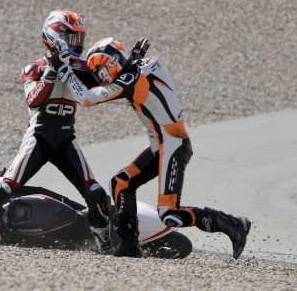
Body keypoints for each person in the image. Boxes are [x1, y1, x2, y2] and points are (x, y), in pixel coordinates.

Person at [53, 37, 251, 259]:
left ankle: (233, 224)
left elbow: (87, 98)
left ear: (113, 62)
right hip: (162, 144)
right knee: (120, 184)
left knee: (169, 214)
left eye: (101, 71)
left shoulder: (133, 77)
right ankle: (129, 247)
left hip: (173, 145)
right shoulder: (140, 67)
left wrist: (64, 68)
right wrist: (129, 61)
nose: (101, 77)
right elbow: (140, 79)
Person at [0, 10, 113, 253]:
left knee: (95, 194)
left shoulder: (82, 68)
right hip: (39, 138)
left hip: (66, 140)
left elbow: (111, 82)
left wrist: (128, 63)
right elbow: (34, 101)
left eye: (78, 39)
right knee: (4, 188)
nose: (75, 44)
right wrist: (53, 69)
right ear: (54, 35)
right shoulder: (34, 68)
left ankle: (105, 245)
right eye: (70, 37)